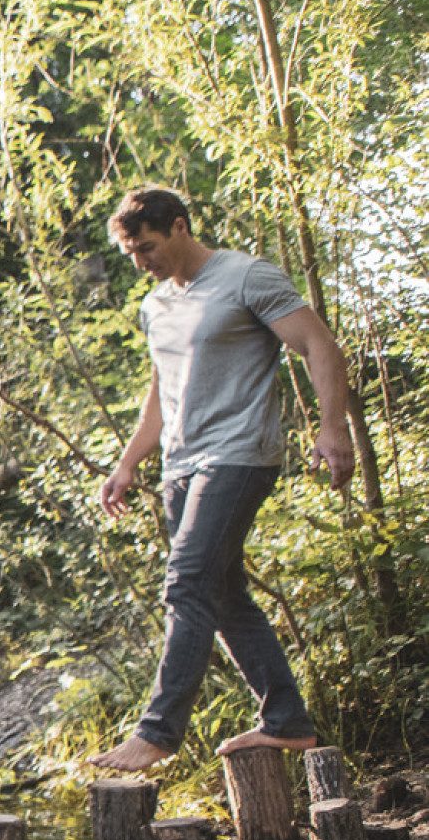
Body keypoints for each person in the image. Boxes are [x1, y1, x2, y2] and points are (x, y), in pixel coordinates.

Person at [86, 186, 353, 771]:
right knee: (226, 597)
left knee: (186, 584)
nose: (142, 262)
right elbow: (162, 391)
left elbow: (319, 346)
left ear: (180, 227)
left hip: (239, 455)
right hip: (181, 464)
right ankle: (287, 722)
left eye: (148, 247)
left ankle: (157, 732)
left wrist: (332, 430)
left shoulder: (245, 277)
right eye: (132, 254)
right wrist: (129, 463)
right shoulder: (155, 305)